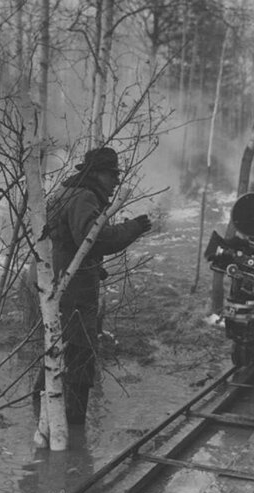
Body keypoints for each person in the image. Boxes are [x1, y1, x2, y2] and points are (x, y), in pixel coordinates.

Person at [41, 146, 151, 424]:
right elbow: (95, 239)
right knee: (79, 354)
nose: (115, 181)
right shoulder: (85, 196)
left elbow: (73, 243)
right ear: (97, 175)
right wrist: (134, 227)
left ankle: (44, 417)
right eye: (111, 175)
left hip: (61, 282)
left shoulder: (72, 192)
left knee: (56, 350)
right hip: (74, 291)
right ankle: (73, 425)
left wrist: (93, 267)